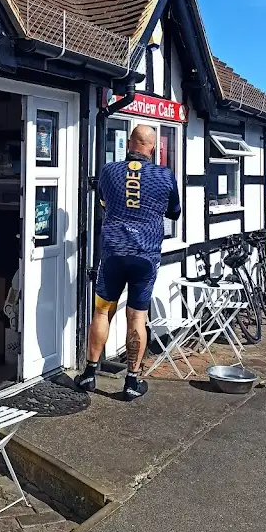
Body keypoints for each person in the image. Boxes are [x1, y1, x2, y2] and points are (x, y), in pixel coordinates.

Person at [76, 124, 181, 401]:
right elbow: (175, 212)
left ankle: (89, 373)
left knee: (101, 312)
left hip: (113, 254)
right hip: (145, 257)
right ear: (153, 147)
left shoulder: (109, 171)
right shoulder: (164, 175)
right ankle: (132, 381)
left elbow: (103, 202)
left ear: (129, 143)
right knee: (137, 317)